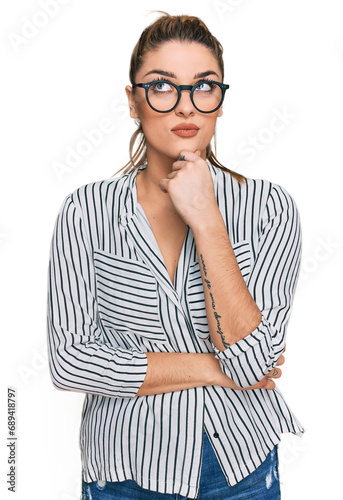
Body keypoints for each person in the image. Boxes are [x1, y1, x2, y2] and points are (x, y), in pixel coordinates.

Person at [46, 11, 305, 500]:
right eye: (163, 87)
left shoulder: (270, 207)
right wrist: (213, 367)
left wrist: (207, 220)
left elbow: (254, 363)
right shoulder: (86, 210)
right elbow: (70, 362)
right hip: (124, 468)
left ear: (219, 102)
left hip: (240, 467)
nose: (185, 106)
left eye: (203, 87)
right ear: (133, 101)